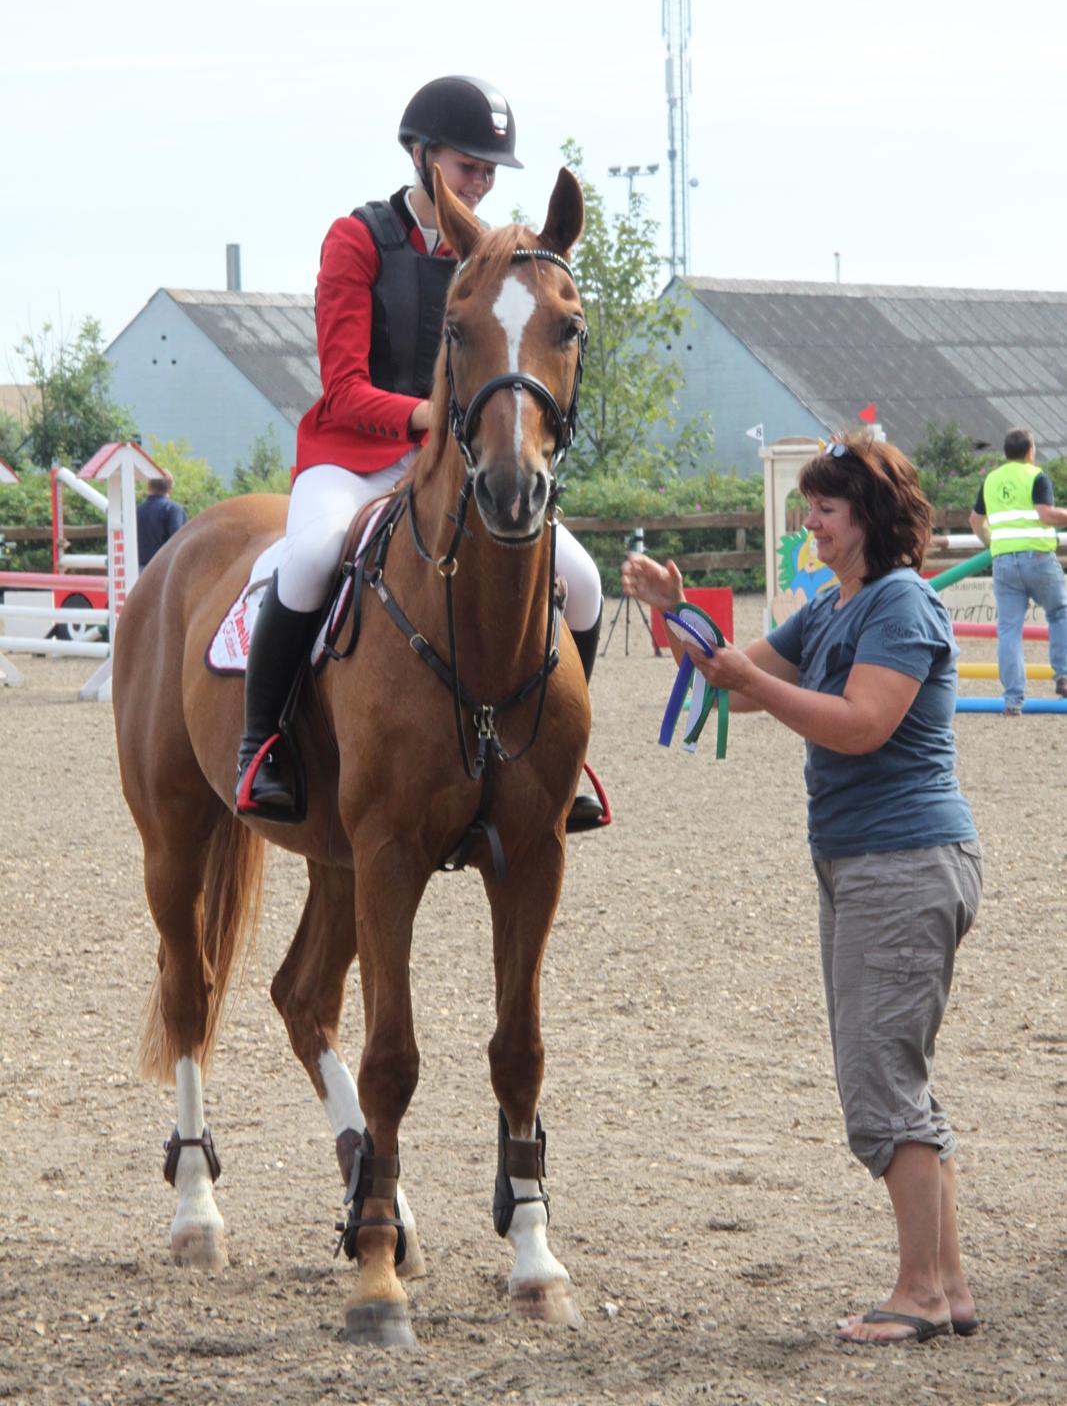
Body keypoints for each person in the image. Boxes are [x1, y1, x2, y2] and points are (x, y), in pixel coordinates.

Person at [623, 433, 982, 1345]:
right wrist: (679, 618)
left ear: (866, 517)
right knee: (898, 1077)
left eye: (825, 507)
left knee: (878, 1083)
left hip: (900, 863)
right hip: (864, 861)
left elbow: (862, 725)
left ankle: (916, 1295)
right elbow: (731, 686)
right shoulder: (835, 605)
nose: (810, 521)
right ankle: (944, 1285)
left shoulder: (897, 604)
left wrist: (747, 678)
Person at [235, 75, 605, 825]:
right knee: (308, 558)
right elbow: (342, 387)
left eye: (487, 168)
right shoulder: (359, 239)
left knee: (584, 580)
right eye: (465, 164)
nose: (478, 180)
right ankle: (261, 744)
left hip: (454, 463)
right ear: (419, 154)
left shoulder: (499, 260)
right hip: (352, 456)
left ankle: (558, 758)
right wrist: (436, 417)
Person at [968, 427, 1067, 714]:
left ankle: (1012, 699)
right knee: (1059, 613)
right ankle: (1063, 676)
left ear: (1005, 453)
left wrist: (991, 544)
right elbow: (1046, 515)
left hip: (1003, 562)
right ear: (1030, 451)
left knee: (1009, 629)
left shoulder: (991, 479)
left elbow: (975, 520)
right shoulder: (1036, 476)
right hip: (1037, 557)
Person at [136, 471, 186, 568]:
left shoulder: (136, 511)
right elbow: (179, 541)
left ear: (148, 487)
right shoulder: (174, 509)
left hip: (139, 570)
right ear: (170, 488)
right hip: (164, 571)